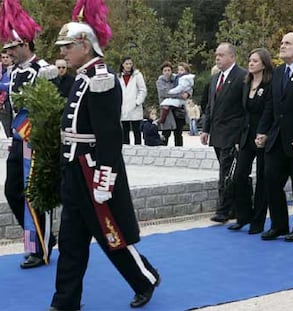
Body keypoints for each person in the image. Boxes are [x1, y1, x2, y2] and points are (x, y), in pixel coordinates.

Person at [50, 1, 160, 310]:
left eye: (67, 46)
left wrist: (105, 177)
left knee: (111, 234)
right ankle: (65, 301)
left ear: (85, 45)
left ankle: (145, 279)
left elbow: (110, 136)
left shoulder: (101, 78)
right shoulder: (82, 77)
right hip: (74, 169)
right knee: (71, 241)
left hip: (91, 170)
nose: (63, 53)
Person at [0, 0, 57, 269]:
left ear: (25, 44)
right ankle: (42, 235)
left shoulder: (42, 70)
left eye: (12, 47)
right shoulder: (12, 73)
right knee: (12, 190)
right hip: (17, 139)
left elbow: (50, 106)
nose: (8, 52)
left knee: (34, 195)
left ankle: (38, 247)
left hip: (36, 140)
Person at [255, 32, 293, 242]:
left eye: (287, 43)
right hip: (276, 138)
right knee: (271, 181)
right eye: (281, 43)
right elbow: (270, 104)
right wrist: (262, 131)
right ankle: (279, 225)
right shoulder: (279, 72)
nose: (282, 46)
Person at [227, 48, 272, 234]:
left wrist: (263, 132)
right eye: (250, 60)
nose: (251, 63)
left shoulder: (270, 84)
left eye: (255, 61)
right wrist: (238, 137)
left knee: (262, 179)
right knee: (239, 176)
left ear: (264, 63)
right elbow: (241, 112)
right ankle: (243, 215)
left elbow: (270, 110)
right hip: (246, 135)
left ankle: (258, 220)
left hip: (263, 136)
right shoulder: (246, 83)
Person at [201, 42, 247, 223]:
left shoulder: (242, 76)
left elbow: (244, 108)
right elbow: (209, 107)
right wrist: (205, 129)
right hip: (217, 133)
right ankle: (233, 208)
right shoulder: (215, 79)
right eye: (216, 55)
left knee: (226, 172)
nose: (218, 58)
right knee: (224, 170)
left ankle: (224, 209)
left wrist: (240, 135)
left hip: (233, 133)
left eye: (221, 55)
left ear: (232, 57)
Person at [156, 61, 190, 146]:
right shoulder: (160, 82)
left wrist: (188, 94)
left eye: (169, 70)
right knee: (165, 134)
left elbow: (187, 87)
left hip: (178, 110)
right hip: (167, 111)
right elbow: (165, 93)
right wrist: (179, 95)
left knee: (178, 134)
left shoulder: (177, 79)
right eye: (165, 70)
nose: (167, 72)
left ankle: (179, 152)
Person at [119, 56, 147, 145]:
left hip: (135, 107)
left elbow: (142, 90)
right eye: (126, 64)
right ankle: (126, 151)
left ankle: (138, 151)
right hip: (123, 108)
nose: (128, 66)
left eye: (130, 63)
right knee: (125, 133)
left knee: (137, 132)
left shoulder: (137, 75)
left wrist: (137, 102)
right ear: (122, 65)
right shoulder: (118, 76)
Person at [0, 52, 11, 137]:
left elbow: (10, 85)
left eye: (7, 57)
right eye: (3, 57)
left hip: (10, 101)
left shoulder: (14, 70)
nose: (5, 59)